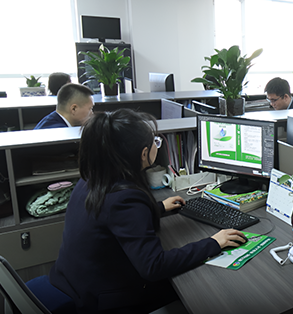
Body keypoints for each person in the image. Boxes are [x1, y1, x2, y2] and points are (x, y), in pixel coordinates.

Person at [49, 109, 246, 313]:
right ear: (144, 154)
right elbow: (154, 266)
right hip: (101, 300)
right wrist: (214, 242)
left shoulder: (93, 177)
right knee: (197, 290)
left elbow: (111, 219)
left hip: (73, 280)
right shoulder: (124, 198)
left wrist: (158, 208)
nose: (157, 146)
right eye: (155, 142)